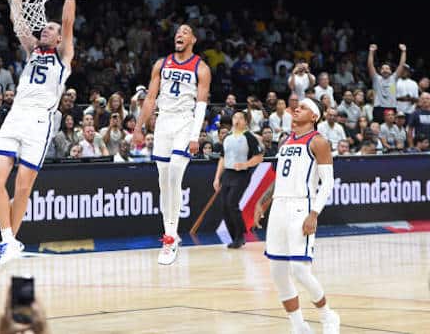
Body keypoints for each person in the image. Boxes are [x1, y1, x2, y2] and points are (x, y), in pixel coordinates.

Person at [0, 0, 76, 269]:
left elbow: (68, 21)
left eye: (51, 29)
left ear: (60, 38)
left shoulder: (63, 58)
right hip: (16, 116)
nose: (46, 30)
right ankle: (7, 240)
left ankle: (9, 242)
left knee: (23, 187)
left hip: (40, 121)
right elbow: (19, 24)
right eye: (45, 28)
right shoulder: (32, 51)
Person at [253, 98, 340, 333]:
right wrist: (262, 202)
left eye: (303, 107)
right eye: (296, 106)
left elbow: (328, 182)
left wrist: (314, 214)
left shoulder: (318, 142)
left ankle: (328, 316)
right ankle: (299, 326)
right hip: (279, 207)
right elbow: (280, 178)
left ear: (314, 116)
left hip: (301, 207)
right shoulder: (286, 141)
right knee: (278, 272)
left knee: (300, 270)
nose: (297, 108)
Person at [133, 23, 211, 265]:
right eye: (178, 32)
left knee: (176, 171)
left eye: (185, 32)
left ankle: (169, 237)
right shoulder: (161, 64)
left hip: (185, 122)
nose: (180, 34)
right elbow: (150, 98)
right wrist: (138, 127)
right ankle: (171, 232)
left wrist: (195, 135)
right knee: (163, 179)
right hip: (164, 122)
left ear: (193, 40)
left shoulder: (201, 67)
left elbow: (200, 104)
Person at [212, 112, 264, 248]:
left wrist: (245, 164)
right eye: (235, 117)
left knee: (232, 203)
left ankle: (240, 236)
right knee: (224, 206)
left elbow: (259, 157)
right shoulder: (228, 137)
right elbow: (222, 158)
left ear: (245, 122)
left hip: (241, 174)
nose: (237, 120)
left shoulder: (249, 137)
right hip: (227, 174)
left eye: (241, 118)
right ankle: (234, 236)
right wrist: (217, 177)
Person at [367, 43, 407, 123]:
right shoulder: (376, 79)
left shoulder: (394, 78)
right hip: (379, 108)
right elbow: (370, 65)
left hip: (391, 108)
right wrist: (371, 52)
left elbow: (401, 65)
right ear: (380, 71)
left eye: (387, 68)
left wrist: (404, 51)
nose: (385, 70)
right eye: (383, 68)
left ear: (391, 71)